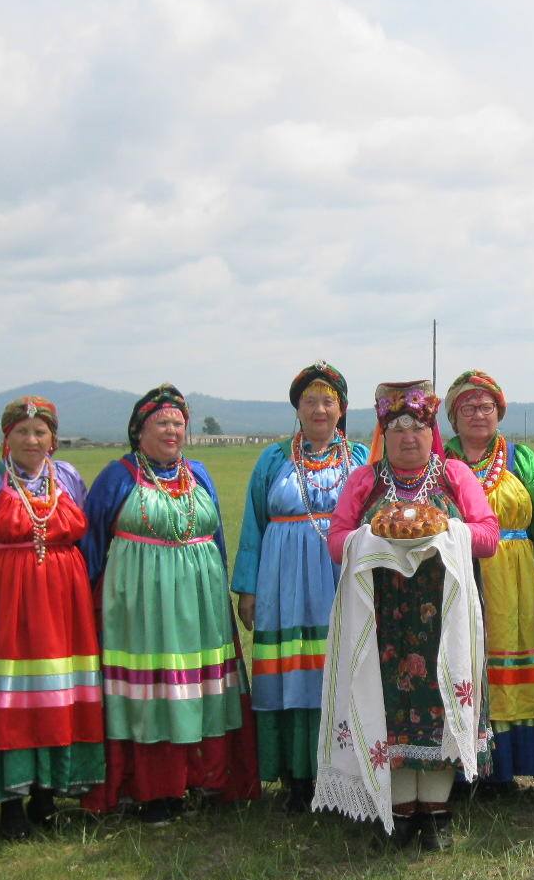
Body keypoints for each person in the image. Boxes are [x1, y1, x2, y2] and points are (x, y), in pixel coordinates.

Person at [315, 380, 500, 848]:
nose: (407, 437)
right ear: (383, 434)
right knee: (392, 705)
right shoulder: (366, 480)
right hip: (385, 618)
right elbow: (337, 542)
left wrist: (446, 532)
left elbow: (488, 536)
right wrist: (371, 540)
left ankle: (435, 813)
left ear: (431, 431)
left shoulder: (455, 475)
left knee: (441, 700)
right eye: (395, 428)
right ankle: (398, 810)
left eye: (416, 427)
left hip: (444, 617)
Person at [79, 385, 258, 822]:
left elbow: (216, 540)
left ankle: (208, 778)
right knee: (154, 688)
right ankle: (154, 789)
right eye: (162, 422)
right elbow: (90, 544)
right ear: (139, 430)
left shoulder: (198, 473)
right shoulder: (116, 476)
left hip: (201, 606)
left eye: (178, 423)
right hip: (142, 609)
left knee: (200, 686)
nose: (172, 430)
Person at [0, 395, 104, 840]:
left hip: (64, 605)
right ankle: (11, 802)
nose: (31, 439)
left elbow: (87, 540)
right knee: (10, 696)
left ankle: (48, 792)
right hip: (3, 604)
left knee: (56, 691)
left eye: (40, 431)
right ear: (6, 437)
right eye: (22, 431)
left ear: (53, 439)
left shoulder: (70, 478)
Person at [233, 362, 369, 813]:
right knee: (292, 673)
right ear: (297, 409)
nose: (319, 408)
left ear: (342, 409)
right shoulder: (272, 459)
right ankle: (295, 774)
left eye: (328, 400)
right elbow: (252, 525)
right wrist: (248, 589)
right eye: (309, 400)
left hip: (341, 580)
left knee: (340, 670)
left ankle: (344, 770)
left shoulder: (360, 458)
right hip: (283, 582)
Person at [443, 370, 534, 791]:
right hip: (460, 577)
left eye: (486, 407)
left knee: (506, 667)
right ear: (453, 417)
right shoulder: (441, 462)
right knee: (462, 662)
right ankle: (462, 768)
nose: (478, 415)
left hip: (516, 582)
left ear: (499, 413)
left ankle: (505, 768)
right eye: (468, 407)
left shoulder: (521, 459)